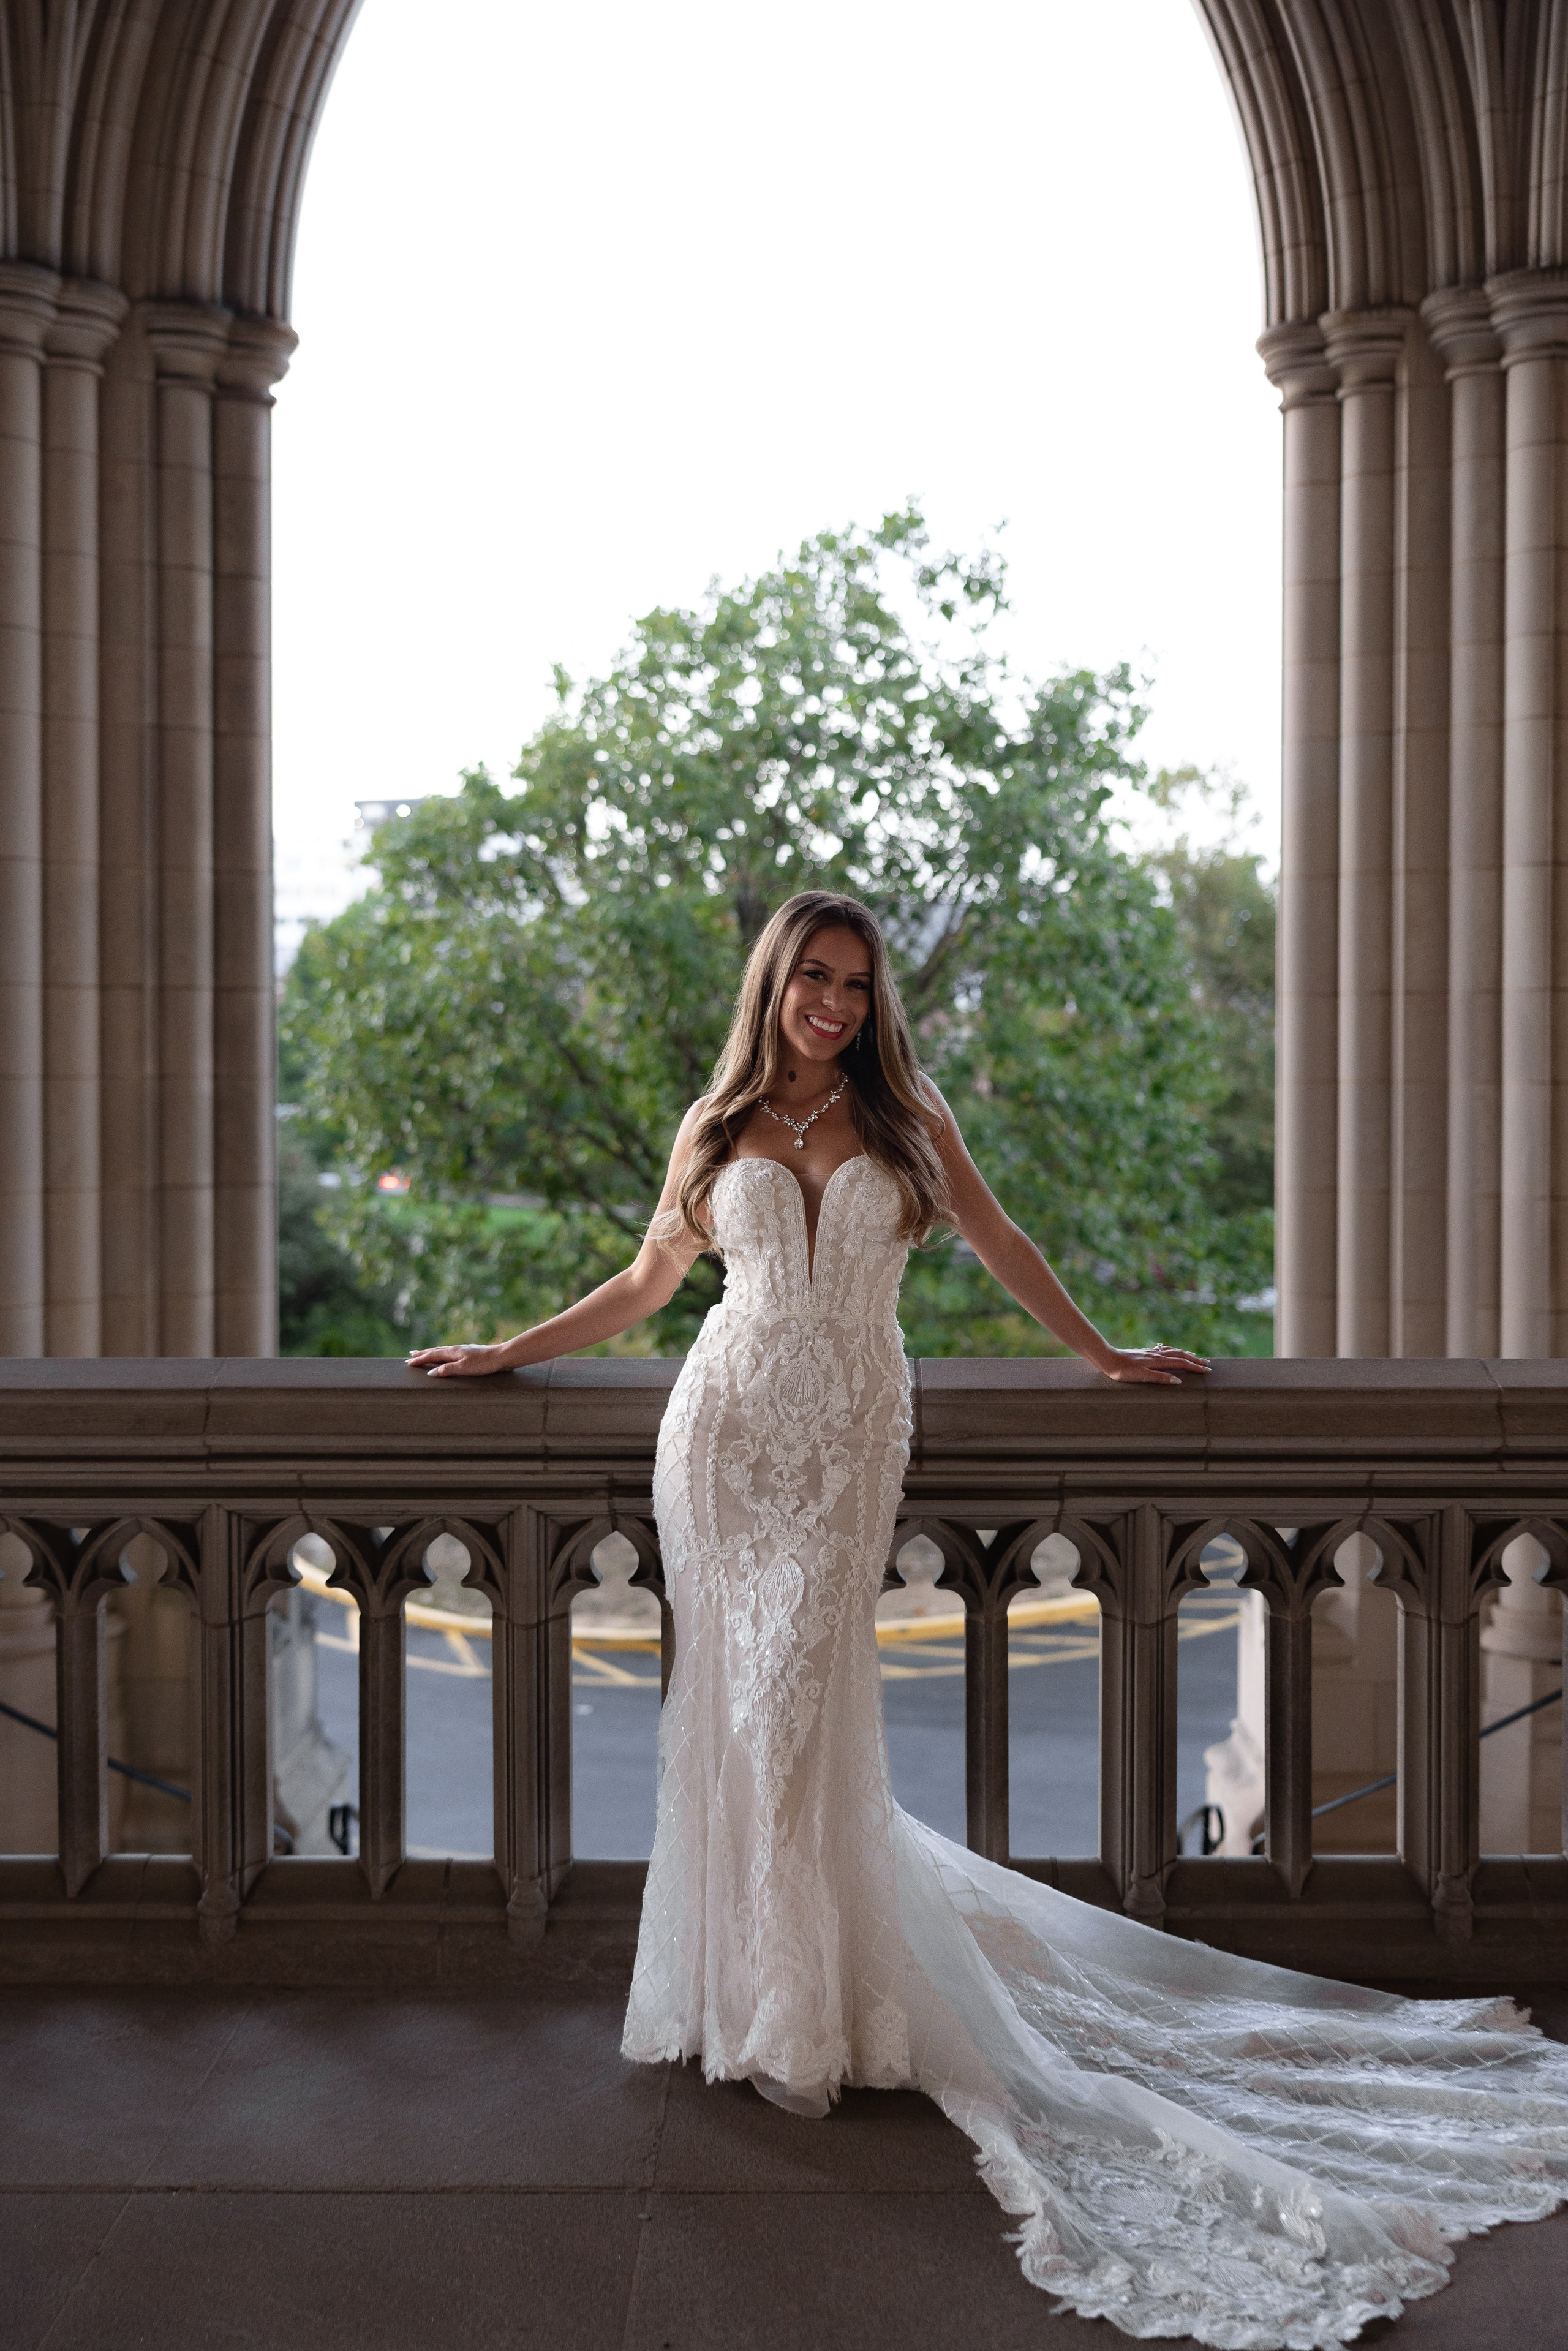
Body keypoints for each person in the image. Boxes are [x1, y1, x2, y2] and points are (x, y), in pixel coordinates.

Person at [410, 889, 1568, 2347]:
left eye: (852, 983)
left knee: (795, 1710)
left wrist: (1095, 1350)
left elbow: (1003, 1235)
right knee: (735, 1714)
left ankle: (812, 2000)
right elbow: (649, 1283)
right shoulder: (713, 1124)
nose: (830, 1002)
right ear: (773, 984)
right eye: (810, 979)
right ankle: (769, 2001)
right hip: (722, 1441)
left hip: (845, 1444)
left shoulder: (906, 1116)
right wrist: (507, 1349)